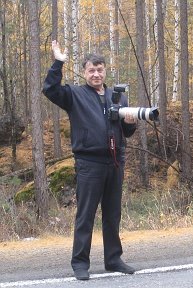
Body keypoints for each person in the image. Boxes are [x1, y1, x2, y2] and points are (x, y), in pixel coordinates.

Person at [42, 40, 137, 280]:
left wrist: (130, 124)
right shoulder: (74, 94)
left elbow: (126, 134)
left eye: (100, 69)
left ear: (105, 71)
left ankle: (113, 259)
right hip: (89, 164)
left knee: (112, 214)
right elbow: (50, 89)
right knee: (86, 214)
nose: (96, 73)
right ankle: (80, 263)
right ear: (85, 72)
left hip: (115, 162)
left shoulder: (118, 97)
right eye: (91, 70)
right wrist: (58, 62)